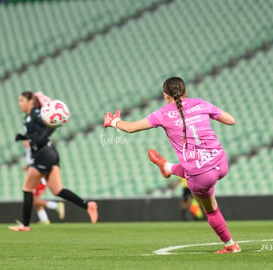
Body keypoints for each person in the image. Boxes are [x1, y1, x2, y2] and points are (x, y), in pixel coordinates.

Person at [103, 76, 240, 253]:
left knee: (212, 210)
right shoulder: (201, 103)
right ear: (186, 91)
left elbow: (130, 128)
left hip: (201, 174)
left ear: (165, 95)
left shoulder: (162, 114)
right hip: (221, 162)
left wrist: (113, 121)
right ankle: (167, 167)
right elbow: (231, 120)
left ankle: (230, 245)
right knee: (194, 170)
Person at [9, 91, 98, 232]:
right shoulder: (28, 117)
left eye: (21, 100)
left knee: (27, 188)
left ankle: (25, 225)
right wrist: (24, 138)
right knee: (57, 190)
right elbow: (36, 134)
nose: (19, 103)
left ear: (31, 101)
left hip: (44, 154)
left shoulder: (37, 113)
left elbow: (51, 124)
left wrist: (39, 140)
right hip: (49, 154)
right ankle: (87, 205)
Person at [21, 140, 65, 224]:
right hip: (37, 179)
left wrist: (30, 168)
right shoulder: (29, 151)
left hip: (39, 180)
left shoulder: (33, 150)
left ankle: (56, 205)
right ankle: (44, 219)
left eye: (25, 141)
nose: (24, 143)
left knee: (34, 201)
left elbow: (37, 163)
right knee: (35, 201)